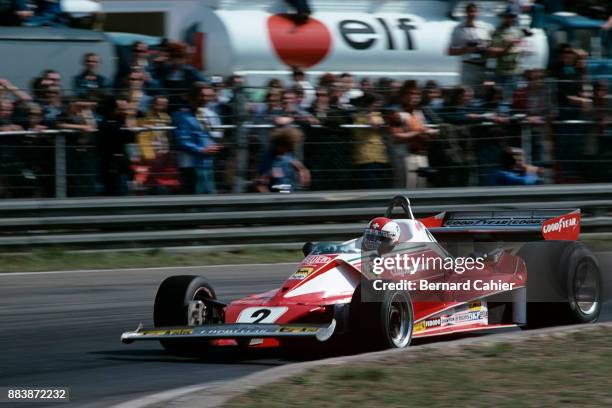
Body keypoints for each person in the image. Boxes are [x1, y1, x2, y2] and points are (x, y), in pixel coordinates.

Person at [172, 82, 221, 194]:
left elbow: (216, 135)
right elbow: (181, 140)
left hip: (208, 163)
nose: (205, 99)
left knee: (209, 197)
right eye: (202, 95)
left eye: (208, 96)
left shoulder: (212, 114)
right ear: (193, 96)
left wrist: (216, 146)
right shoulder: (181, 116)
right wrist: (201, 150)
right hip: (191, 165)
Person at [389, 87, 439, 188]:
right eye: (411, 95)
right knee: (406, 185)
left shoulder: (418, 113)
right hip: (404, 154)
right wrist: (418, 132)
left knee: (420, 185)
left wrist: (430, 133)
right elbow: (396, 136)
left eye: (417, 96)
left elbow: (423, 129)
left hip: (420, 153)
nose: (415, 98)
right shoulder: (396, 114)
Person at [448, 2, 493, 93]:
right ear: (466, 13)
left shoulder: (487, 28)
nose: (471, 14)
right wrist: (465, 49)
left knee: (483, 96)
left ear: (477, 12)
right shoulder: (458, 29)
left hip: (484, 66)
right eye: (469, 11)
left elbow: (493, 47)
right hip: (468, 66)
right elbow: (450, 51)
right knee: (467, 94)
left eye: (473, 11)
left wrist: (483, 48)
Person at [351, 92, 392, 189]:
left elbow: (375, 125)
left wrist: (368, 114)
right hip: (364, 158)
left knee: (378, 186)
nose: (377, 105)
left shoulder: (377, 115)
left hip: (379, 157)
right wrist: (366, 113)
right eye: (374, 102)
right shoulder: (358, 117)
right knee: (367, 186)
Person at [255, 127, 310, 193]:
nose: (290, 150)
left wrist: (303, 172)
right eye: (289, 147)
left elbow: (299, 166)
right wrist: (270, 199)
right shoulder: (268, 161)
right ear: (282, 146)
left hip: (291, 192)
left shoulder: (286, 153)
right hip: (277, 196)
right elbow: (260, 185)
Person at [489, 7, 524, 100]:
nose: (510, 18)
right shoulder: (498, 32)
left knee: (514, 99)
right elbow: (492, 50)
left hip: (515, 70)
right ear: (504, 17)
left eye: (513, 16)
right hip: (502, 71)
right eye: (508, 16)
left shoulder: (518, 31)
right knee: (502, 98)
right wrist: (506, 47)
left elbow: (522, 47)